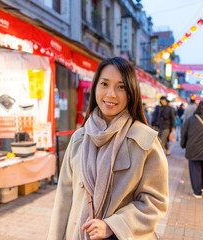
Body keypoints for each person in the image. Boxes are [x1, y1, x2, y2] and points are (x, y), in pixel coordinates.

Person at [48, 57, 169, 240]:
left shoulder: (144, 141)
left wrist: (114, 225)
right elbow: (63, 201)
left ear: (131, 92)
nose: (111, 94)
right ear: (95, 87)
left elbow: (155, 202)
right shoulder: (79, 139)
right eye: (104, 84)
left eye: (121, 87)